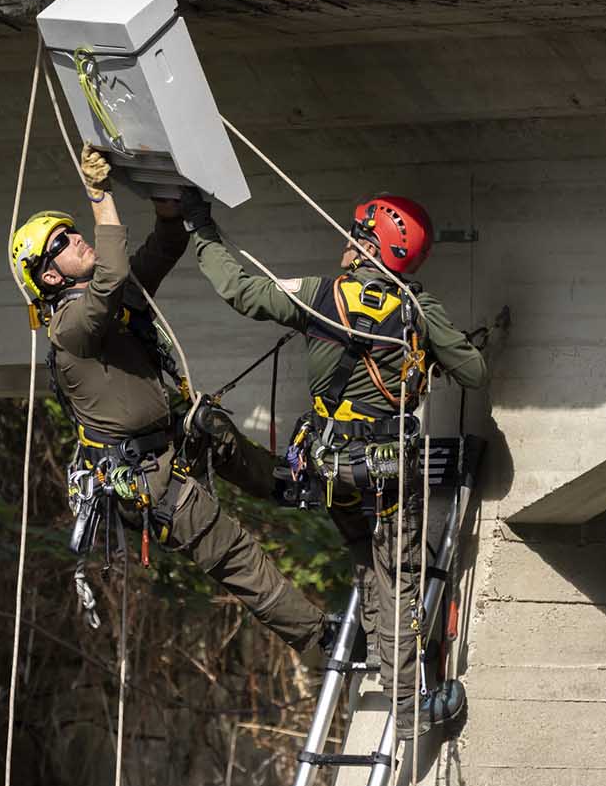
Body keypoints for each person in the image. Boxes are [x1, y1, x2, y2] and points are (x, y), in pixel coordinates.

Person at [181, 188, 487, 739]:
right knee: (400, 581)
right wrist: (428, 350)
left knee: (366, 561)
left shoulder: (320, 296)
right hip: (386, 472)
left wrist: (200, 228)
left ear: (372, 246)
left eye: (356, 233)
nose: (346, 240)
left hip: (330, 468)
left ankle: (384, 671)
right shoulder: (418, 309)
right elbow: (474, 372)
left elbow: (239, 290)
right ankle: (409, 704)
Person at [10, 145, 332, 658]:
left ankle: (292, 486)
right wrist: (99, 196)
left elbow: (158, 253)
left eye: (72, 231)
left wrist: (168, 213)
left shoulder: (109, 305)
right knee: (234, 551)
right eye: (62, 242)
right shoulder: (71, 327)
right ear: (50, 276)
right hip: (146, 479)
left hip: (165, 443)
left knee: (212, 429)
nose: (76, 238)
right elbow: (113, 274)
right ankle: (320, 637)